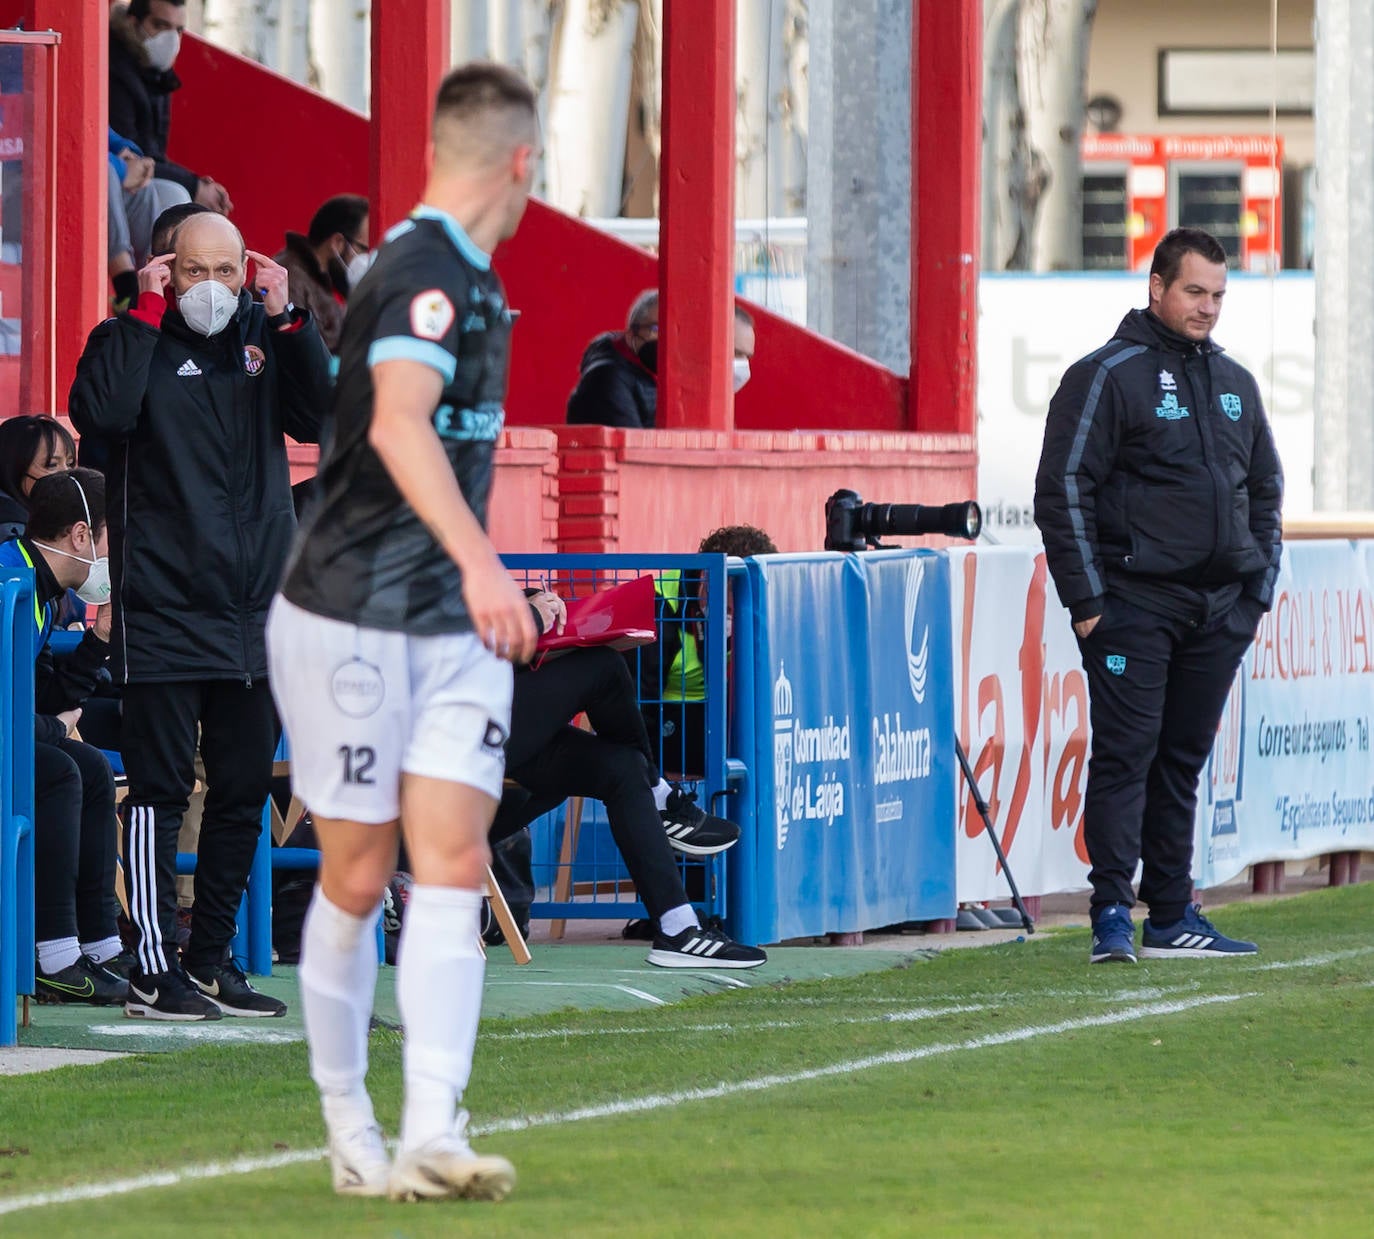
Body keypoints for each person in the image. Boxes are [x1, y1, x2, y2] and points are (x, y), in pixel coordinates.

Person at [266, 61, 540, 1202]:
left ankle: (433, 1128)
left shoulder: (466, 278)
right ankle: (348, 1122)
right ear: (521, 166)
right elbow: (397, 422)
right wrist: (487, 564)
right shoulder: (425, 278)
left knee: (456, 861)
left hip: (449, 628)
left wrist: (475, 574)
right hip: (350, 617)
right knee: (359, 872)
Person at [68, 211, 331, 1021]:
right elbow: (101, 417)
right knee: (159, 786)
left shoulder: (263, 333)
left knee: (245, 788)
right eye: (194, 272)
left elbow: (321, 418)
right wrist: (143, 316)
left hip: (257, 612)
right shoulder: (128, 337)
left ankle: (211, 960)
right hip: (166, 607)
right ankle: (154, 966)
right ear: (163, 272)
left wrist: (291, 319)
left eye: (226, 271)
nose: (211, 288)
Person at [1033, 227, 1283, 965]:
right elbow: (1061, 490)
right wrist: (1089, 605)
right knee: (1126, 755)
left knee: (1181, 759)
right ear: (1157, 287)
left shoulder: (1235, 382)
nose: (1208, 308)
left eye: (1218, 295)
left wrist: (1253, 596)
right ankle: (1111, 910)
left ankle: (1171, 913)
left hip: (1218, 612)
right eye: (1194, 291)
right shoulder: (1106, 375)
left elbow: (1265, 490)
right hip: (1132, 608)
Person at [491, 593, 762, 969]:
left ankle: (678, 929)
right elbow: (453, 636)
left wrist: (532, 599)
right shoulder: (403, 560)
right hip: (452, 758)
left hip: (493, 742)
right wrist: (532, 619)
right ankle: (659, 796)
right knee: (601, 666)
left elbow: (478, 605)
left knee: (625, 768)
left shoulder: (446, 556)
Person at [0, 469, 127, 1004]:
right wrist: (54, 729)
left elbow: (46, 696)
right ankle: (51, 953)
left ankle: (100, 945)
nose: (114, 557)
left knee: (92, 767)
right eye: (109, 539)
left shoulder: (44, 590)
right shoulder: (9, 578)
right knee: (57, 769)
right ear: (80, 536)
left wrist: (99, 636)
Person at [638, 523, 779, 778]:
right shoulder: (657, 610)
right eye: (729, 602)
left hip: (729, 711)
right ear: (705, 578)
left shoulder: (765, 602)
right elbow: (638, 708)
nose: (734, 611)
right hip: (668, 719)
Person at [108, 0, 233, 215]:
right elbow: (133, 155)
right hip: (118, 180)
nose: (171, 38)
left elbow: (154, 156)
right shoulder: (116, 70)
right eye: (160, 26)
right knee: (175, 197)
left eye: (178, 30)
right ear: (133, 22)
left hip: (140, 176)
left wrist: (199, 184)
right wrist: (195, 187)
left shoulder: (157, 73)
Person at [275, 194, 371, 353]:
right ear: (338, 243)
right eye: (364, 249)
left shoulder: (323, 279)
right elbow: (296, 354)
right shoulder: (290, 279)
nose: (366, 258)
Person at [566, 288, 659, 428]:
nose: (665, 338)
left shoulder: (651, 375)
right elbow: (631, 445)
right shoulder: (608, 377)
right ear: (631, 334)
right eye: (656, 329)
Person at [0, 416, 77, 541]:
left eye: (70, 464)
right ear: (14, 468)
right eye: (52, 465)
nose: (67, 474)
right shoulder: (10, 531)